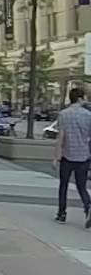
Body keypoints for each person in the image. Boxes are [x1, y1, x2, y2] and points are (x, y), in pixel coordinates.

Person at [53, 87, 91, 226]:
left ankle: (62, 213)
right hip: (83, 156)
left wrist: (56, 157)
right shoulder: (88, 115)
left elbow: (60, 137)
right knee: (81, 186)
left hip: (67, 156)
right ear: (80, 98)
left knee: (63, 185)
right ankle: (88, 206)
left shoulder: (63, 114)